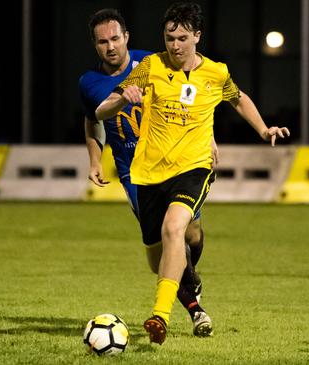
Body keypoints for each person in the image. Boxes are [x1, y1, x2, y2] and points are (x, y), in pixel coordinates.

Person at [95, 2, 290, 345]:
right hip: (149, 173)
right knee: (158, 258)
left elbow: (238, 98)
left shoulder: (215, 73)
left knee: (177, 227)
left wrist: (263, 130)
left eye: (182, 38)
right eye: (169, 37)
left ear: (197, 36)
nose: (175, 45)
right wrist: (123, 98)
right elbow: (101, 110)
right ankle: (190, 278)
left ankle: (160, 316)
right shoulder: (150, 66)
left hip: (194, 167)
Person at [79, 8, 215, 338]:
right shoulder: (91, 82)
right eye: (102, 42)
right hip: (136, 176)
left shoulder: (154, 61)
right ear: (95, 46)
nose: (110, 46)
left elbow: (196, 89)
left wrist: (209, 137)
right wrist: (95, 161)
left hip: (179, 162)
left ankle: (190, 289)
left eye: (115, 38)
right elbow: (93, 119)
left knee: (190, 233)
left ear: (126, 37)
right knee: (160, 257)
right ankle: (194, 306)